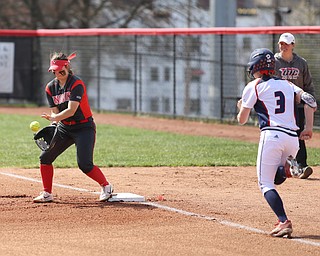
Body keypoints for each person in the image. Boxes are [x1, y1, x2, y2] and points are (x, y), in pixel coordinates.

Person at [237, 48, 316, 238]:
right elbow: (310, 100)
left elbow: (242, 120)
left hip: (272, 136)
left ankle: (283, 221)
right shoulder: (288, 84)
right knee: (276, 177)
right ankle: (289, 169)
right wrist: (309, 128)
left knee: (265, 183)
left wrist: (241, 107)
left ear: (256, 67)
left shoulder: (254, 85)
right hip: (293, 139)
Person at [33, 52, 113, 203]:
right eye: (54, 70)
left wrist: (55, 118)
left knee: (84, 164)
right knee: (45, 158)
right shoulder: (50, 88)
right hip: (64, 128)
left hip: (84, 127)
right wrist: (54, 124)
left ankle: (106, 187)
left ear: (67, 66)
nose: (57, 72)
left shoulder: (76, 84)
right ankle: (47, 193)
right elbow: (55, 111)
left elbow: (72, 110)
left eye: (60, 69)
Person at [274, 32, 316, 179]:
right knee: (279, 135)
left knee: (298, 135)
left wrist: (310, 100)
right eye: (281, 43)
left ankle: (301, 165)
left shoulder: (301, 63)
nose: (283, 46)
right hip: (280, 107)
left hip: (297, 107)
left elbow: (308, 85)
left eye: (286, 44)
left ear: (293, 45)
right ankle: (279, 165)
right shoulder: (274, 62)